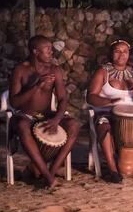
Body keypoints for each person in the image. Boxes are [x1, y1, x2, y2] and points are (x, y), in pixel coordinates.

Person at [9, 35, 80, 188]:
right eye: (47, 49)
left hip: (47, 115)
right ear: (35, 52)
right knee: (21, 125)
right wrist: (37, 86)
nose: (51, 52)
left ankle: (51, 171)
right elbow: (14, 103)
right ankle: (46, 175)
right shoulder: (20, 70)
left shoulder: (54, 70)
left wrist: (57, 119)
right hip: (27, 116)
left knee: (74, 125)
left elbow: (62, 99)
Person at [87, 39, 133, 184]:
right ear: (111, 54)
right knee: (104, 124)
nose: (121, 54)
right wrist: (110, 102)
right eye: (117, 51)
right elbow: (91, 97)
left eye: (125, 51)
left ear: (128, 54)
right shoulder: (102, 72)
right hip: (107, 113)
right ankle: (113, 171)